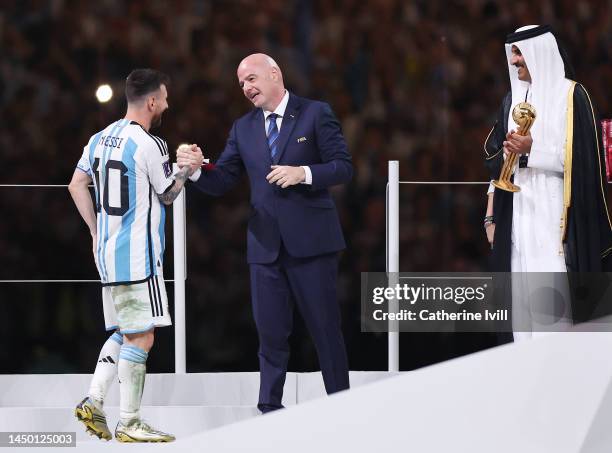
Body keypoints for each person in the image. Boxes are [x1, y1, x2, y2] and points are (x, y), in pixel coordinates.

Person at [178, 53, 352, 413]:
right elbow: (222, 178)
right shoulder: (243, 128)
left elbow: (342, 167)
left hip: (312, 245)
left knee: (325, 331)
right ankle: (269, 409)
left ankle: (342, 406)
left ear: (275, 74)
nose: (247, 88)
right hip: (265, 247)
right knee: (270, 335)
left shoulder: (315, 113)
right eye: (241, 83)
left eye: (252, 79)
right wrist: (195, 171)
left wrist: (302, 173)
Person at [68, 68, 195, 442]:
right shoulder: (150, 144)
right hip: (138, 258)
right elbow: (167, 194)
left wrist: (94, 230)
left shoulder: (98, 138)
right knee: (143, 337)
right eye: (165, 99)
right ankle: (129, 421)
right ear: (152, 101)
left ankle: (94, 400)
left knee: (125, 330)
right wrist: (186, 169)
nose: (167, 105)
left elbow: (76, 184)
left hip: (107, 255)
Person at [483, 25, 612, 339]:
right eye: (512, 53)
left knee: (553, 316)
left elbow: (584, 158)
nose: (513, 61)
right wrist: (490, 216)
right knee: (520, 317)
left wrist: (532, 150)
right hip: (517, 215)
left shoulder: (572, 96)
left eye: (518, 53)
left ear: (538, 52)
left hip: (556, 214)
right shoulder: (511, 101)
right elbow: (496, 164)